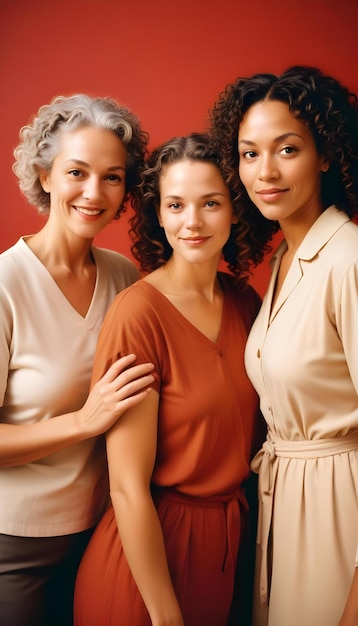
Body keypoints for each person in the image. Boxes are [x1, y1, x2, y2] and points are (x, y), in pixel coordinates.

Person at [74, 132, 263, 626]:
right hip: (147, 563)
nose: (193, 222)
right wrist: (165, 616)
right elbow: (127, 487)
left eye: (211, 203)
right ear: (159, 215)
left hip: (227, 550)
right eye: (176, 205)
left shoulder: (247, 304)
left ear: (235, 210)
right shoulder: (139, 313)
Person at [209, 65, 358, 626]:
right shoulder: (282, 262)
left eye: (287, 149)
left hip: (342, 509)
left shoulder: (348, 260)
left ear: (326, 153)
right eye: (249, 154)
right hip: (283, 504)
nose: (264, 172)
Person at [0, 94, 156, 626]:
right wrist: (84, 421)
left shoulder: (124, 276)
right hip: (14, 549)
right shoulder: (6, 285)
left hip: (103, 533)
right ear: (44, 177)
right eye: (77, 172)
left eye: (113, 177)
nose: (95, 193)